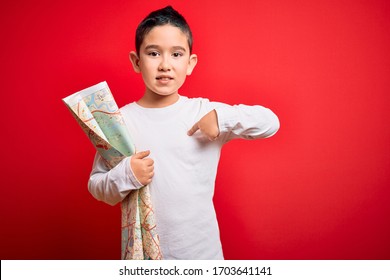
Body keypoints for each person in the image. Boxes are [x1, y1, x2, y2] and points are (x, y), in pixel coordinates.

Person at [88, 5, 279, 260]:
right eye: (153, 53)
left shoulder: (202, 111)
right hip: (145, 259)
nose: (165, 65)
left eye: (176, 54)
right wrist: (127, 175)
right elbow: (97, 185)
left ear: (190, 63)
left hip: (204, 256)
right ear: (136, 61)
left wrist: (222, 117)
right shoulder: (120, 122)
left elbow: (271, 122)